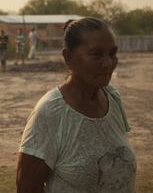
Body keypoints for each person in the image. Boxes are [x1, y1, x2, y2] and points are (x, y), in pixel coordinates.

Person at [17, 17, 136, 193]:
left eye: (112, 54)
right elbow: (27, 187)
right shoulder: (51, 112)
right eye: (96, 54)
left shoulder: (112, 97)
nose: (108, 63)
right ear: (68, 57)